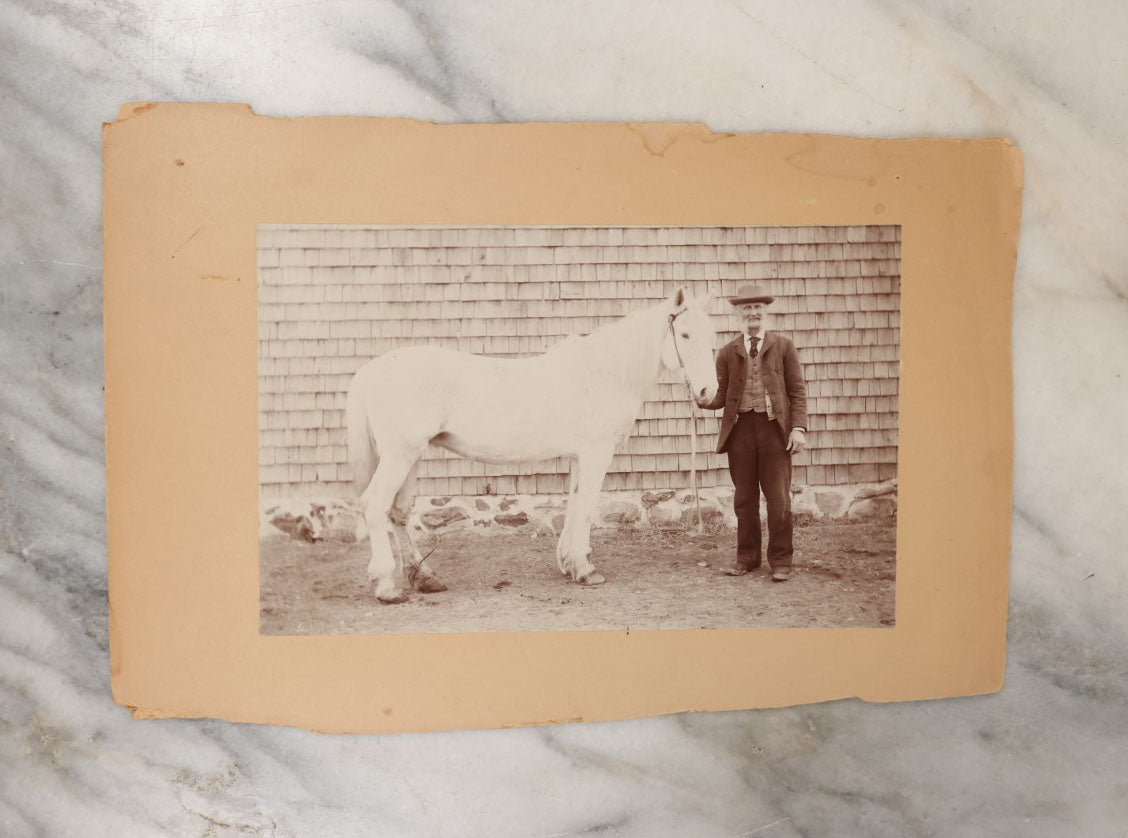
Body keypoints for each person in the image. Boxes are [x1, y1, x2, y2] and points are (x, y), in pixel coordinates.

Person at [701, 284, 808, 582]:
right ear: (738, 314)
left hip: (775, 431)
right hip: (741, 431)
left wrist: (797, 428)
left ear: (765, 312)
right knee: (744, 499)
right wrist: (703, 398)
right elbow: (721, 396)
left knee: (778, 499)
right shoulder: (726, 352)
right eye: (747, 309)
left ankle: (781, 561)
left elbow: (797, 392)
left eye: (758, 308)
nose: (753, 313)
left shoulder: (784, 347)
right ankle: (747, 558)